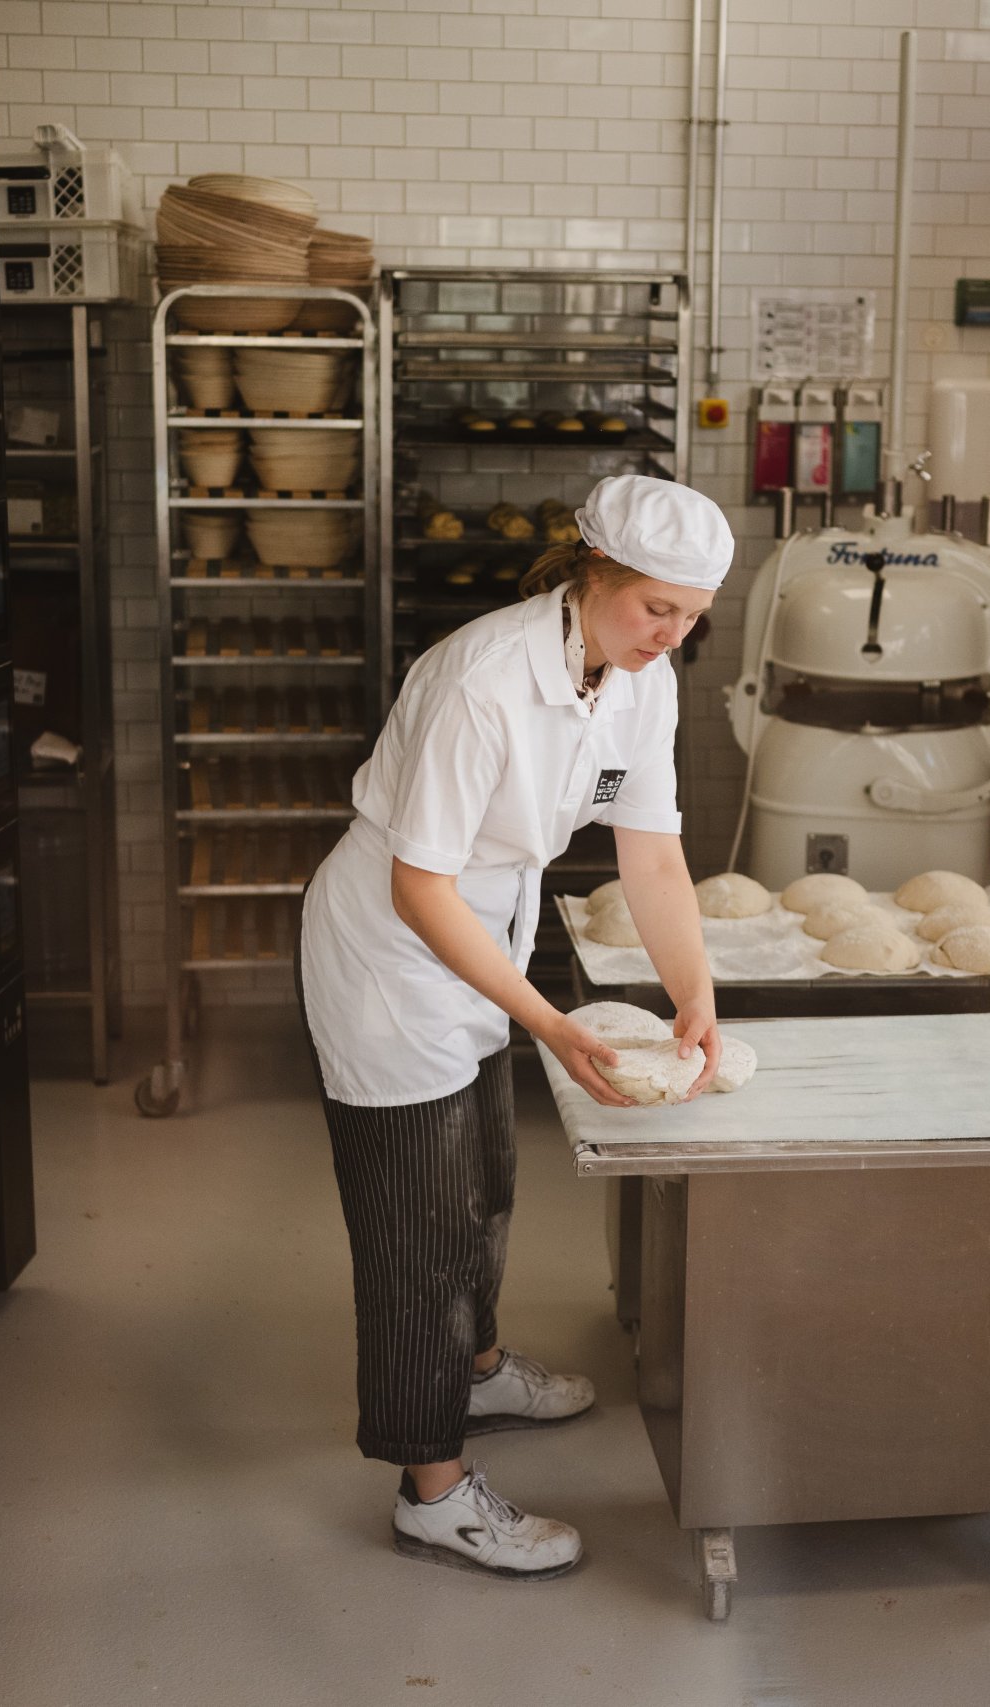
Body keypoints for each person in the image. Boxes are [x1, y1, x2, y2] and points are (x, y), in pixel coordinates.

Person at [296, 473, 734, 1581]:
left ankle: (477, 1368)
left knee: (484, 1178)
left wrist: (694, 989)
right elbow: (418, 887)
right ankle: (429, 1489)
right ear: (593, 575)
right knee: (417, 1229)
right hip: (395, 958)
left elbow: (652, 854)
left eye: (691, 616)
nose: (671, 636)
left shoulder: (642, 680)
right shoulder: (483, 680)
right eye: (654, 610)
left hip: (484, 939)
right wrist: (546, 1019)